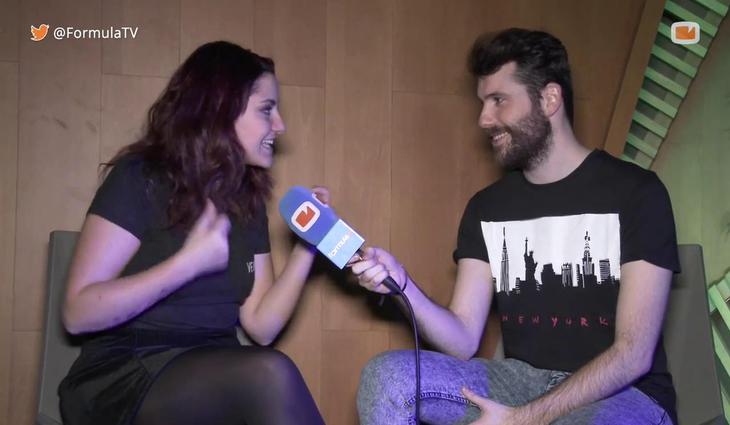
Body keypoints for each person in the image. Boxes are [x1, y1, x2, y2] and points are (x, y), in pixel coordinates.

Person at [352, 28, 679, 425]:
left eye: (499, 100)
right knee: (387, 378)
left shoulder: (637, 192)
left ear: (550, 99)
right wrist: (403, 286)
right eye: (483, 103)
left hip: (624, 394)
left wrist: (524, 419)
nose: (484, 119)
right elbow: (462, 338)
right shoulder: (487, 207)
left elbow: (633, 353)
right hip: (521, 380)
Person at [58, 41, 326, 425]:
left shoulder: (247, 202)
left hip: (213, 368)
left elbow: (261, 325)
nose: (280, 125)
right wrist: (187, 264)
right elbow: (77, 314)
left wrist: (306, 248)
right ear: (220, 109)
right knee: (269, 373)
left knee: (264, 370)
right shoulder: (141, 178)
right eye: (267, 109)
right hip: (127, 370)